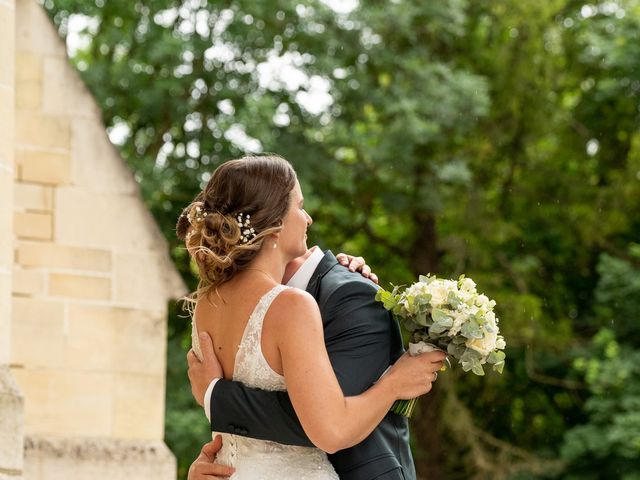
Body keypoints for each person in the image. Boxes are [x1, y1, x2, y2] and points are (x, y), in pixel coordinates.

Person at [178, 155, 445, 479]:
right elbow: (329, 429)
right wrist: (393, 385)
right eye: (299, 206)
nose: (307, 219)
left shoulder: (207, 302)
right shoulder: (292, 305)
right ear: (275, 224)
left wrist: (214, 395)